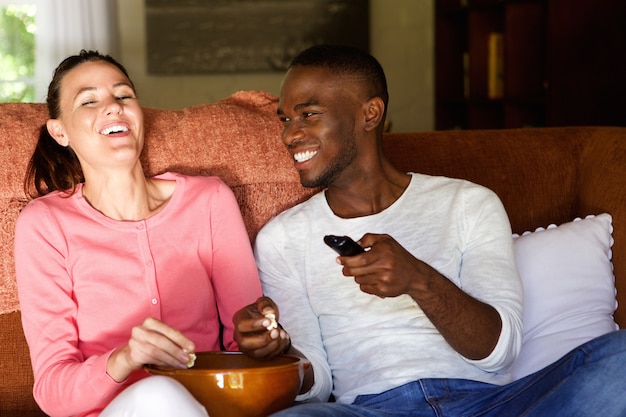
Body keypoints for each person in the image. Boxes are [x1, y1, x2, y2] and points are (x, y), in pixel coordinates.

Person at [233, 44, 626, 417]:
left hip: (492, 406)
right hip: (368, 410)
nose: (289, 135)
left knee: (620, 358)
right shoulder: (282, 239)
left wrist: (418, 280)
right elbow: (315, 382)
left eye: (308, 114)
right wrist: (281, 353)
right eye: (285, 119)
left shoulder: (468, 203)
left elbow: (499, 351)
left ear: (370, 114)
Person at [14, 50, 262, 417]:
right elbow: (52, 392)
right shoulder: (44, 224)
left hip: (211, 404)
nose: (113, 106)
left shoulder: (209, 200)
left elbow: (246, 336)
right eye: (89, 100)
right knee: (157, 395)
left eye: (123, 95)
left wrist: (264, 336)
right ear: (59, 131)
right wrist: (126, 358)